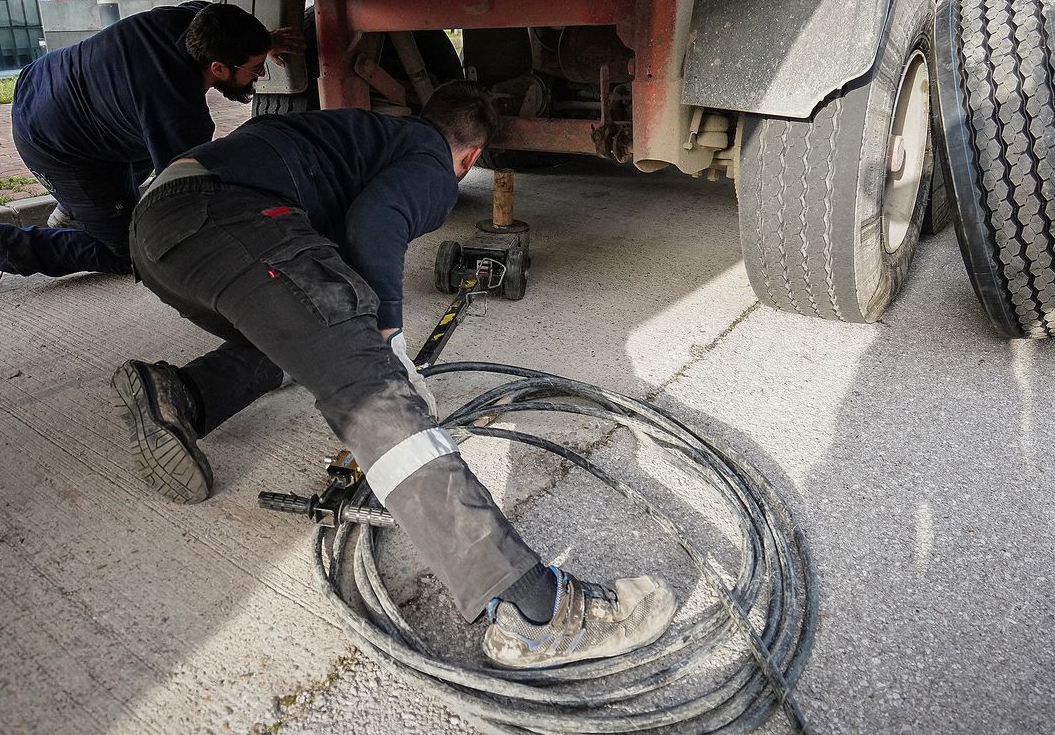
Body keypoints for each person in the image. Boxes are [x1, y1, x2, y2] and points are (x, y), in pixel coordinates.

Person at [110, 82, 676, 669]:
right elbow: (377, 221)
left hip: (160, 226)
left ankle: (184, 396)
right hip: (227, 215)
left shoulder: (366, 135)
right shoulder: (433, 162)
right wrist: (388, 339)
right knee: (366, 384)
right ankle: (530, 609)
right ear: (471, 158)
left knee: (302, 329)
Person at [0, 1, 301, 291]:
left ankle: (84, 209)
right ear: (219, 67)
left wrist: (262, 42)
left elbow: (225, 32)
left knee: (143, 152)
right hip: (55, 140)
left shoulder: (194, 19)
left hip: (48, 82)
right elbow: (184, 198)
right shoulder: (176, 113)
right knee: (135, 254)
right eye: (255, 67)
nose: (261, 74)